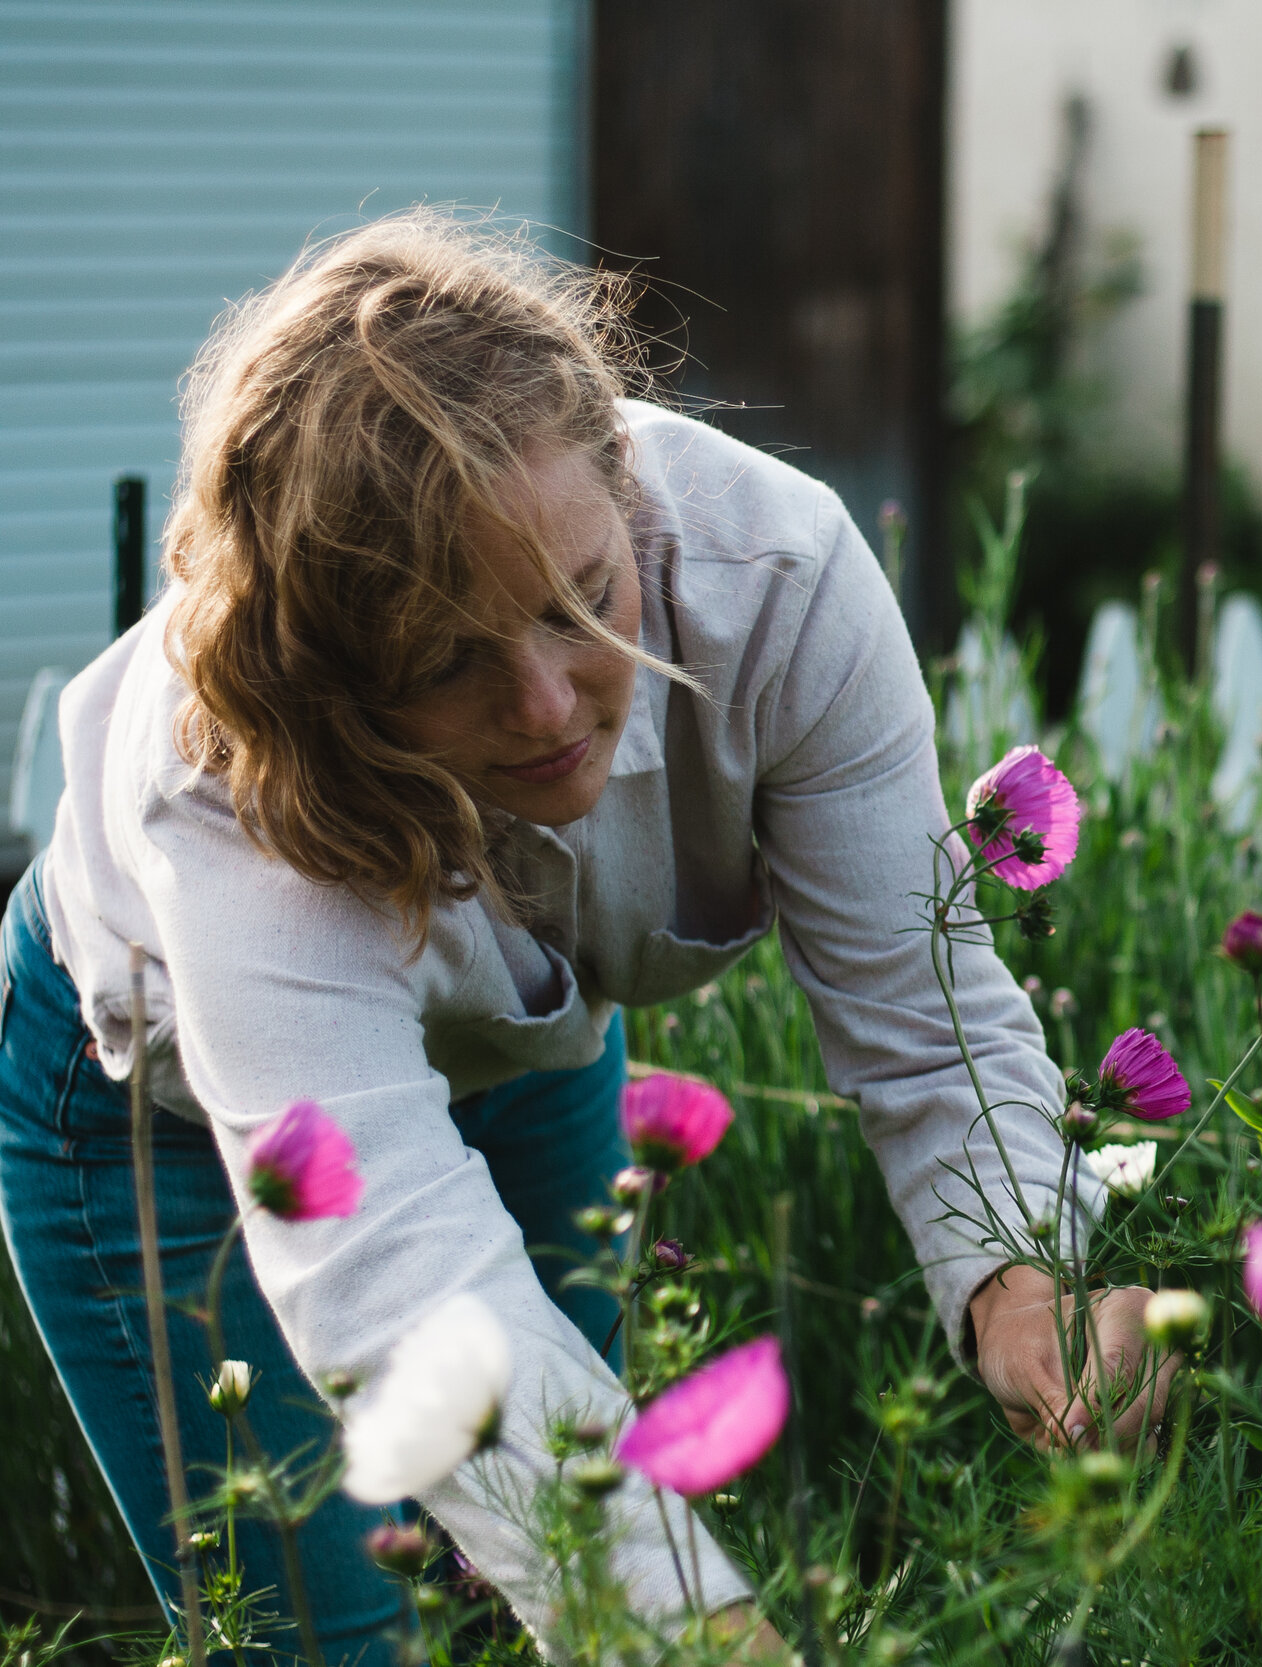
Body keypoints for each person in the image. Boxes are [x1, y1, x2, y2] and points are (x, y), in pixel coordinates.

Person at [0, 212, 1161, 1655]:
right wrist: (701, 1632)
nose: (554, 705)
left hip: (527, 1049)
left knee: (538, 1576)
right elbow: (403, 1284)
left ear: (623, 481)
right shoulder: (225, 784)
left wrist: (1019, 1268)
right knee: (336, 1635)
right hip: (161, 1117)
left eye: (582, 599)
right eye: (445, 660)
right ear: (335, 673)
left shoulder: (776, 585)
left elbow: (925, 1013)